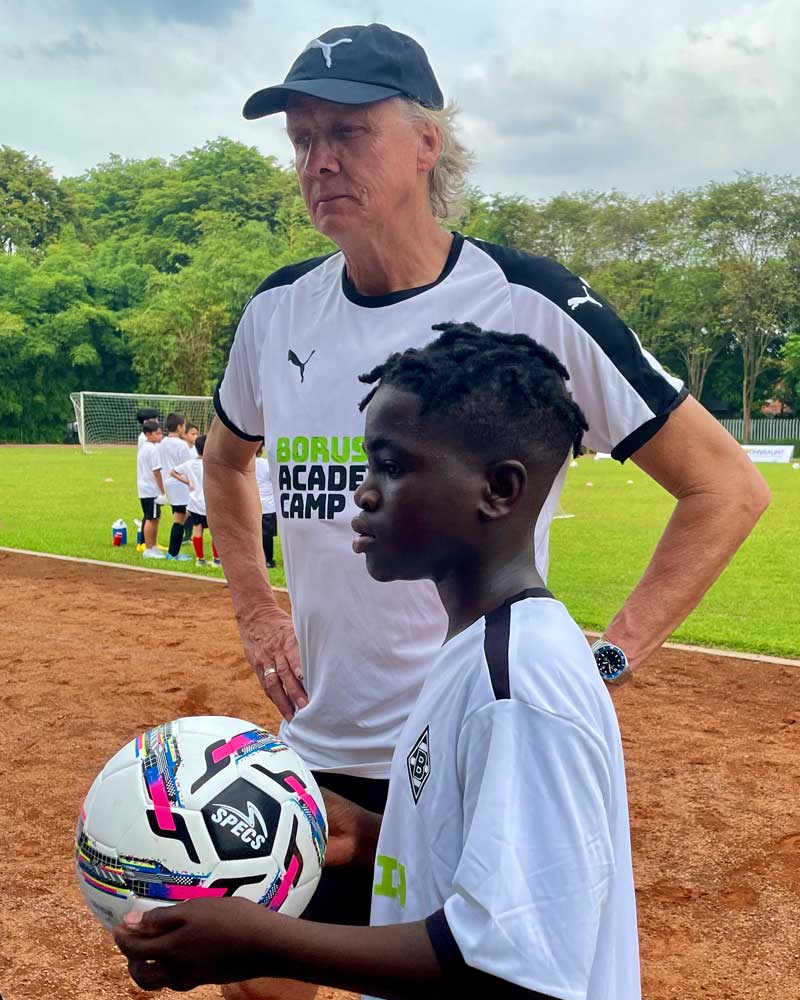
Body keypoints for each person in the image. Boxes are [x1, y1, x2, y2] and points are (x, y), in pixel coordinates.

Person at [203, 20, 770, 972]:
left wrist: (610, 657)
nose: (318, 161)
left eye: (348, 133)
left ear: (428, 142)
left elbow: (726, 485)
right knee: (259, 975)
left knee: (473, 969)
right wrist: (258, 611)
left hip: (472, 747)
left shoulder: (527, 301)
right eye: (303, 139)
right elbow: (225, 462)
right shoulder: (276, 312)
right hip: (317, 742)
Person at [115, 326, 640, 999]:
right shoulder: (476, 650)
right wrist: (371, 836)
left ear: (499, 490)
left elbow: (511, 971)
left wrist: (259, 942)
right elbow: (464, 873)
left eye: (391, 467)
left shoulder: (518, 681)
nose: (361, 494)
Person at [170, 434, 221, 567]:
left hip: (195, 503)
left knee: (197, 530)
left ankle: (200, 559)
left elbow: (173, 472)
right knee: (215, 532)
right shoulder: (213, 465)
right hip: (211, 503)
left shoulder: (189, 464)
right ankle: (217, 560)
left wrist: (187, 482)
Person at [159, 412, 193, 562]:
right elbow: (188, 467)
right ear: (179, 427)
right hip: (180, 484)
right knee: (179, 519)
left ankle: (174, 552)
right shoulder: (182, 445)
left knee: (180, 517)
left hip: (169, 482)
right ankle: (173, 553)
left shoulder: (162, 442)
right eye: (184, 425)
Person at [136, 419, 165, 559]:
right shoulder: (152, 449)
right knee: (151, 518)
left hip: (145, 488)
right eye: (157, 433)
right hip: (151, 490)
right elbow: (157, 472)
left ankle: (153, 546)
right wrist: (162, 491)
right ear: (148, 434)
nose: (160, 436)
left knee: (154, 517)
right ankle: (149, 548)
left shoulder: (144, 447)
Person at [255, 448, 277, 569]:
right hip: (268, 505)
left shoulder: (246, 464)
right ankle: (268, 560)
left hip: (252, 504)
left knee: (254, 533)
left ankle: (257, 559)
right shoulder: (267, 464)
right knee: (267, 535)